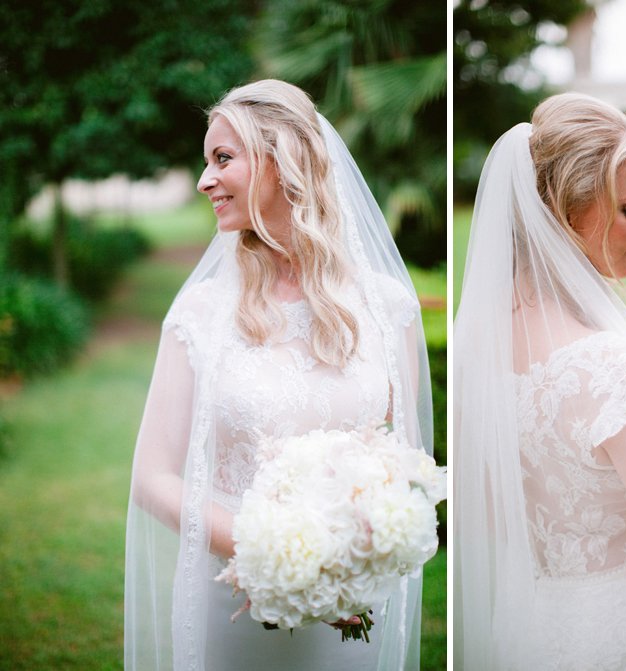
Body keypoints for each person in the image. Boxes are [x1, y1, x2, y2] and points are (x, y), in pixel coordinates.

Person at [124, 79, 433, 671]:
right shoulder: (202, 315)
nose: (204, 180)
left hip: (354, 609)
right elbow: (153, 477)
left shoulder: (386, 307)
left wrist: (359, 551)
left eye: (222, 159)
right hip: (238, 604)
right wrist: (273, 553)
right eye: (206, 162)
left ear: (279, 161)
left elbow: (402, 460)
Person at [453, 93, 626, 670]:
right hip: (621, 637)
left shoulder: (474, 344)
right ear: (568, 212)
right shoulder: (610, 369)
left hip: (525, 630)